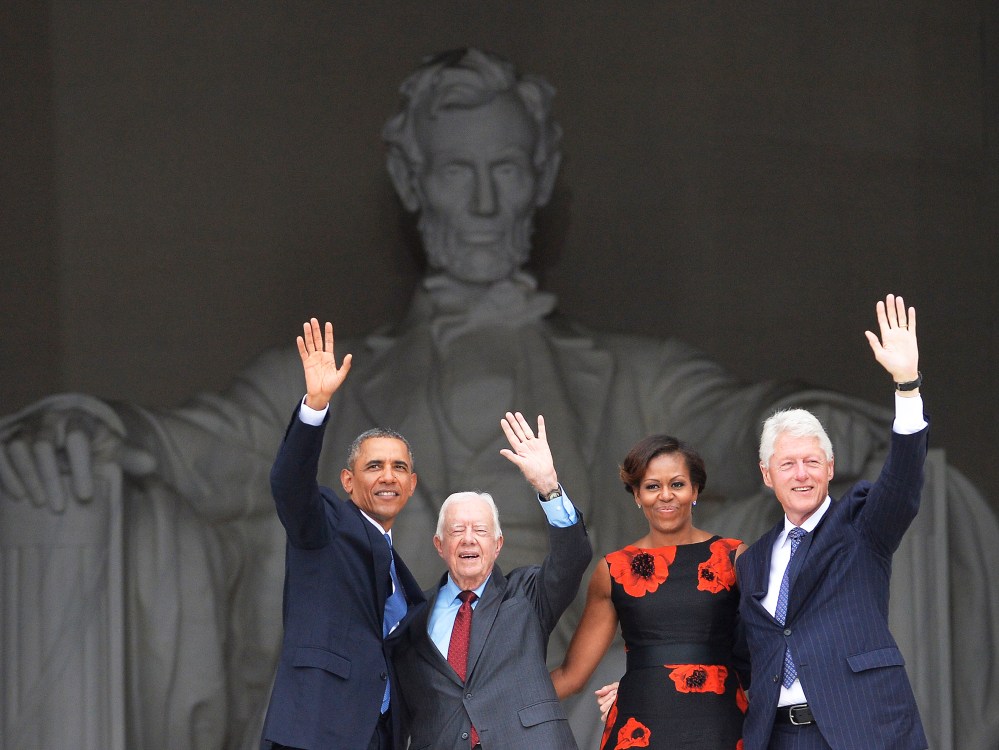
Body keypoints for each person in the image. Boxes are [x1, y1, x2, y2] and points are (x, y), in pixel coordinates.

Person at [2, 49, 997, 748]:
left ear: (542, 179)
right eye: (455, 172)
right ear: (411, 179)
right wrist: (86, 428)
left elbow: (750, 419)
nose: (481, 204)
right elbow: (181, 447)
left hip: (581, 682)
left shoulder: (632, 372)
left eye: (506, 170)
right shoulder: (335, 381)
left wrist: (847, 422)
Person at [736, 294, 928, 750]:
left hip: (862, 728)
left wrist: (907, 385)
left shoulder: (861, 524)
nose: (801, 474)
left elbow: (901, 481)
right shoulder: (753, 559)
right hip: (778, 736)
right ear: (767, 475)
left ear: (829, 467)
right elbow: (743, 657)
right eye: (787, 465)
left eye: (811, 462)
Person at [259, 318, 425, 750]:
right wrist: (315, 405)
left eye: (399, 467)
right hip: (316, 730)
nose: (388, 476)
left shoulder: (403, 576)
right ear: (348, 482)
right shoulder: (326, 523)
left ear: (412, 485)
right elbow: (289, 483)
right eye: (374, 466)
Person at [390, 411, 592, 749]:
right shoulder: (412, 614)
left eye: (480, 531)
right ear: (440, 545)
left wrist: (548, 487)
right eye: (457, 531)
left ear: (497, 545)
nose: (469, 539)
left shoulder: (528, 595)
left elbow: (573, 559)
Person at [551, 434, 749, 749]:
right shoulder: (613, 569)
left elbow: (768, 647)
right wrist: (494, 704)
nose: (665, 496)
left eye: (678, 484)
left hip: (720, 725)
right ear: (637, 495)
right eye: (652, 486)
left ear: (695, 490)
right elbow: (572, 676)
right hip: (641, 724)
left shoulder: (733, 557)